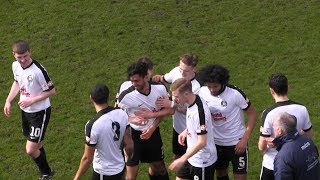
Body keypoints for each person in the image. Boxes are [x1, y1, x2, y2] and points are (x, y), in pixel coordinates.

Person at [3, 40, 56, 179]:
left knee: (30, 149)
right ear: (13, 55)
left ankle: (46, 173)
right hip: (25, 111)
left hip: (40, 112)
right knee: (35, 142)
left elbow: (51, 91)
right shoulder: (15, 66)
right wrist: (8, 101)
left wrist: (31, 100)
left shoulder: (38, 71)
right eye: (19, 57)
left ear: (30, 52)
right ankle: (48, 170)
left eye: (25, 56)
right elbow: (17, 82)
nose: (23, 60)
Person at [197, 64, 257, 180]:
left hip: (237, 143)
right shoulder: (202, 92)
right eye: (209, 86)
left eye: (215, 86)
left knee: (240, 177)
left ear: (223, 83)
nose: (212, 90)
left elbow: (252, 113)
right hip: (216, 143)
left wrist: (244, 139)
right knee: (220, 174)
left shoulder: (235, 93)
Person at [118, 61, 172, 180]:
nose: (133, 84)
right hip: (132, 136)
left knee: (158, 167)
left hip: (152, 133)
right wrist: (132, 119)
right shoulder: (126, 96)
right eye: (132, 81)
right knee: (131, 174)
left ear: (146, 77)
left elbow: (170, 110)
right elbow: (116, 115)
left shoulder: (160, 88)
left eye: (136, 81)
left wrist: (152, 124)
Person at [152, 53, 200, 179]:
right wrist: (157, 78)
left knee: (190, 162)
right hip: (177, 128)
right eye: (181, 69)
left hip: (191, 131)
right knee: (177, 158)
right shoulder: (176, 72)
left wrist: (171, 104)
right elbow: (165, 78)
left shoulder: (197, 87)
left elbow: (191, 110)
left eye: (186, 71)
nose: (182, 73)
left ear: (194, 69)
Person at [258, 73, 313, 180]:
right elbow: (309, 135)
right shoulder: (302, 109)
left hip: (272, 164)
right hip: (296, 160)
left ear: (271, 91)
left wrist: (275, 143)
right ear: (287, 88)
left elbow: (261, 146)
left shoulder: (268, 113)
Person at [74, 84, 134, 180]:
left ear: (91, 98)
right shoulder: (122, 114)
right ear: (109, 96)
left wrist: (76, 178)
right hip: (120, 167)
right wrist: (127, 161)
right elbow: (129, 145)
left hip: (104, 173)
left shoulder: (93, 125)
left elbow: (87, 158)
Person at [168, 78, 217, 180]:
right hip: (191, 156)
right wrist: (186, 131)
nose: (174, 99)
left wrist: (182, 159)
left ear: (186, 94)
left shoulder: (199, 112)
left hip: (202, 160)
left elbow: (202, 142)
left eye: (176, 96)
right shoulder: (193, 101)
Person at [272, 112, 320, 180]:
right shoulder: (307, 141)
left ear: (279, 131)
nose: (273, 128)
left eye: (273, 126)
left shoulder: (283, 157)